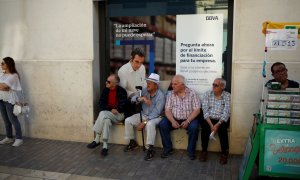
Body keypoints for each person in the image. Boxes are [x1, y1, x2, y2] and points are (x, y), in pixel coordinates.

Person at [123, 73, 166, 161]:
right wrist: (140, 98)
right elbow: (133, 98)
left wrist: (144, 122)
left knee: (149, 124)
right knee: (128, 120)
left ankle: (150, 148)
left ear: (156, 85)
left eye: (150, 83)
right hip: (143, 114)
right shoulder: (145, 90)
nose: (147, 84)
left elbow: (156, 113)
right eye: (147, 82)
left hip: (156, 117)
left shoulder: (160, 96)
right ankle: (132, 142)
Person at [158, 74, 201, 160]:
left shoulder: (192, 93)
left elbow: (197, 110)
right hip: (174, 118)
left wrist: (188, 121)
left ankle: (191, 151)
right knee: (162, 124)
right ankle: (167, 149)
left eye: (175, 84)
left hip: (189, 119)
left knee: (194, 127)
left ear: (182, 84)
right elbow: (167, 110)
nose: (172, 86)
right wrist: (173, 121)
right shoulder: (170, 94)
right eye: (172, 84)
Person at [87, 74, 127, 156]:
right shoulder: (105, 90)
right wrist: (110, 109)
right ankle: (105, 147)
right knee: (106, 120)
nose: (106, 83)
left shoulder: (122, 91)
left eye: (108, 82)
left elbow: (124, 104)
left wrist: (117, 109)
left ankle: (97, 139)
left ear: (115, 83)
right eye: (106, 81)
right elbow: (100, 103)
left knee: (102, 113)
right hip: (108, 114)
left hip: (119, 115)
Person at [199, 78, 231, 165]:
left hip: (221, 119)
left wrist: (217, 125)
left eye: (216, 85)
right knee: (205, 128)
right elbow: (205, 111)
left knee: (222, 129)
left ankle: (224, 153)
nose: (213, 86)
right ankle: (204, 151)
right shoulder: (207, 94)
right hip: (209, 119)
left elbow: (226, 112)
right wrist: (211, 125)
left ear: (222, 87)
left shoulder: (227, 96)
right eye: (213, 84)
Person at [0, 57, 23, 147]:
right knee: (6, 120)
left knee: (13, 119)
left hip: (10, 100)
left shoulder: (14, 75)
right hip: (1, 99)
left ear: (8, 64)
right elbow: (3, 87)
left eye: (2, 63)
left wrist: (4, 87)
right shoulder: (2, 75)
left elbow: (4, 87)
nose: (1, 65)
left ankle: (19, 138)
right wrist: (4, 87)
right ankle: (9, 137)